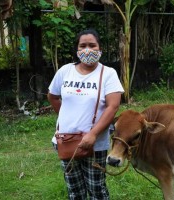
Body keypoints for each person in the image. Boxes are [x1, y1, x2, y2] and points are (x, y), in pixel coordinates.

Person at [47, 29, 124, 200]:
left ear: (99, 48)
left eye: (92, 45)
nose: (87, 49)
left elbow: (113, 106)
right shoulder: (65, 71)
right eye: (83, 46)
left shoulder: (108, 74)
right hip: (65, 141)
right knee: (74, 190)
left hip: (94, 144)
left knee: (97, 189)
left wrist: (93, 134)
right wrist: (65, 116)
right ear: (77, 49)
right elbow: (52, 96)